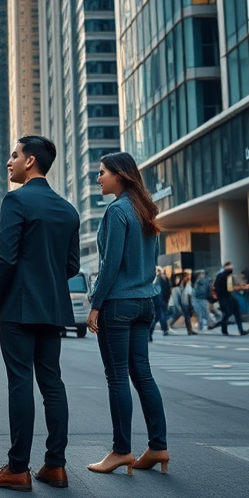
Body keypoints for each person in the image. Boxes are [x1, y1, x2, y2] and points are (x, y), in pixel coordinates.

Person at [0, 136, 80, 492]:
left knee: (20, 382)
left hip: (19, 307)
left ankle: (18, 469)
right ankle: (55, 466)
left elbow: (5, 258)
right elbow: (71, 265)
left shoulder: (16, 200)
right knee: (52, 384)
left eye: (14, 155)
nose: (9, 162)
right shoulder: (68, 210)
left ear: (30, 161)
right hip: (52, 308)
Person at [86, 151, 169, 476]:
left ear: (120, 176)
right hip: (144, 303)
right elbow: (151, 261)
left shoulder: (117, 212)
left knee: (118, 376)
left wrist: (95, 304)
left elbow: (110, 265)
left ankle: (121, 450)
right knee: (142, 374)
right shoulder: (146, 210)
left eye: (103, 172)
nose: (99, 178)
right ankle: (158, 445)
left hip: (118, 305)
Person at [214, 262, 249, 336]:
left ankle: (227, 330)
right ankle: (238, 330)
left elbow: (217, 287)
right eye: (230, 267)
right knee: (230, 313)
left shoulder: (223, 276)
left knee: (231, 313)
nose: (232, 268)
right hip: (226, 297)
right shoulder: (225, 276)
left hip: (226, 297)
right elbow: (228, 288)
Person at [150, 267, 172, 338]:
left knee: (159, 316)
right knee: (160, 316)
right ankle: (163, 329)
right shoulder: (158, 280)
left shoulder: (163, 279)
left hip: (161, 301)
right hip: (159, 301)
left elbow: (167, 290)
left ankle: (151, 331)